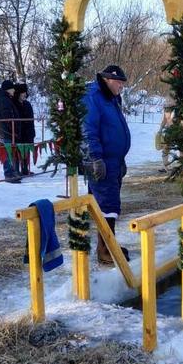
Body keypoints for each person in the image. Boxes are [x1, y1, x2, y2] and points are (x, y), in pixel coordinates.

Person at [82, 64, 132, 264]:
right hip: (102, 161)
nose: (121, 86)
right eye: (119, 82)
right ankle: (105, 249)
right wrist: (95, 157)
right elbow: (88, 129)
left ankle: (108, 243)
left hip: (113, 160)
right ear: (107, 79)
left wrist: (120, 158)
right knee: (107, 205)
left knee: (110, 203)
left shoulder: (110, 98)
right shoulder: (94, 97)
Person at [0, 79, 21, 183]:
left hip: (6, 130)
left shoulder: (5, 98)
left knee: (10, 152)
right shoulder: (3, 100)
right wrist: (13, 129)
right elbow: (7, 116)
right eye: (12, 88)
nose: (14, 90)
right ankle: (9, 174)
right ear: (8, 89)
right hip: (6, 131)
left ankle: (12, 172)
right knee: (8, 152)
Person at [14, 82, 35, 176]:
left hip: (27, 131)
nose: (24, 94)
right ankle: (16, 170)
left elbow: (31, 119)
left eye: (25, 92)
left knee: (26, 151)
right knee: (16, 152)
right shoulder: (14, 104)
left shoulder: (27, 104)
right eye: (23, 92)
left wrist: (32, 132)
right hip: (19, 132)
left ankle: (25, 169)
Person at [157, 100, 175, 173]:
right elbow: (164, 120)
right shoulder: (166, 110)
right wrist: (160, 129)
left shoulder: (177, 110)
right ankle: (165, 166)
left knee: (181, 149)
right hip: (169, 131)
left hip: (178, 131)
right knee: (166, 148)